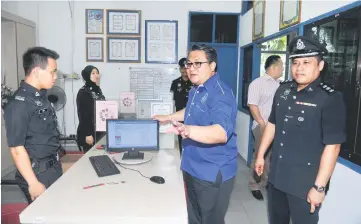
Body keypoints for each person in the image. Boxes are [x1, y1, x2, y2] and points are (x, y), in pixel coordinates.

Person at [255, 36, 347, 224]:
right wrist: (260, 155)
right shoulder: (283, 90)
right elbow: (272, 124)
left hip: (305, 185)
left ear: (320, 65)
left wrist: (319, 188)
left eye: (306, 62)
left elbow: (333, 146)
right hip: (277, 178)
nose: (299, 67)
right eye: (295, 62)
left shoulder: (330, 98)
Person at [153, 44, 238, 224]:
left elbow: (221, 132)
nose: (191, 68)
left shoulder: (221, 94)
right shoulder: (197, 88)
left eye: (197, 63)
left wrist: (188, 130)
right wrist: (168, 117)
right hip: (192, 164)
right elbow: (190, 112)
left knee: (209, 220)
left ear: (213, 65)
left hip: (211, 169)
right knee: (194, 217)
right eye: (189, 64)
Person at [3, 47, 63, 204]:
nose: (55, 77)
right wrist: (33, 183)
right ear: (36, 71)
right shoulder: (19, 104)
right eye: (52, 72)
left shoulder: (42, 97)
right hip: (37, 174)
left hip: (52, 167)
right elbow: (16, 149)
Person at [247, 55, 283, 200]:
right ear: (273, 67)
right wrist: (262, 123)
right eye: (281, 66)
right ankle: (254, 185)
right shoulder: (257, 83)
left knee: (273, 157)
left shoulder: (281, 84)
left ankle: (267, 182)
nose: (282, 69)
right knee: (261, 156)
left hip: (278, 128)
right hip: (262, 127)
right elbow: (252, 105)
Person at [76, 65, 105, 153]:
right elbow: (83, 115)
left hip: (99, 129)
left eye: (97, 73)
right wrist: (88, 134)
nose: (96, 75)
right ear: (87, 76)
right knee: (90, 156)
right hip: (89, 131)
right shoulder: (83, 92)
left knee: (100, 154)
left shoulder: (97, 90)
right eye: (93, 73)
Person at [170, 57, 193, 155]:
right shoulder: (175, 83)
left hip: (193, 116)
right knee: (181, 138)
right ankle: (182, 157)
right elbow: (173, 101)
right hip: (180, 116)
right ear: (179, 69)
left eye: (186, 67)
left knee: (192, 137)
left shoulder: (195, 82)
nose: (184, 70)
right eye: (182, 68)